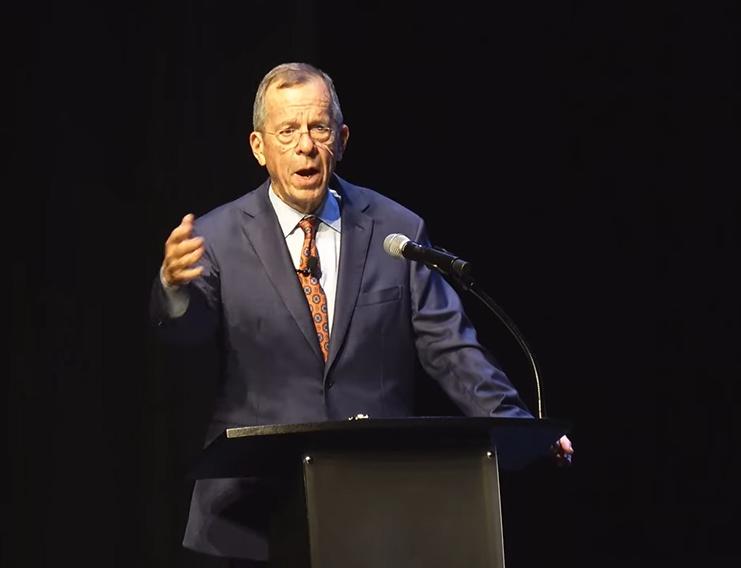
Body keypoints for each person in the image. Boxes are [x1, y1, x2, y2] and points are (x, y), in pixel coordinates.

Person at [150, 62, 573, 564]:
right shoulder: (215, 238)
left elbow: (453, 350)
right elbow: (186, 341)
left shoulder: (396, 229)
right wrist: (173, 289)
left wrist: (517, 426)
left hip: (378, 505)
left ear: (342, 138)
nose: (306, 145)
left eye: (319, 128)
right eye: (287, 131)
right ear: (259, 147)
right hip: (253, 516)